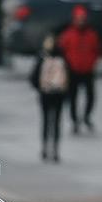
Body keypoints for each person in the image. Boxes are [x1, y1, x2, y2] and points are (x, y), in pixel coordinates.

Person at [58, 5, 101, 134]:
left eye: (83, 18)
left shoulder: (91, 35)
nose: (81, 21)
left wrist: (92, 62)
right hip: (73, 70)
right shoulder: (68, 35)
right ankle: (75, 120)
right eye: (79, 18)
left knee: (91, 96)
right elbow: (62, 50)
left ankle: (86, 117)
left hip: (88, 70)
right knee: (73, 97)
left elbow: (96, 50)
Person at [30, 34, 70, 162]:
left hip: (45, 94)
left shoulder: (41, 57)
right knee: (57, 122)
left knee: (46, 121)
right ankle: (55, 150)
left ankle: (45, 149)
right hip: (59, 94)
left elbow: (33, 77)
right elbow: (70, 75)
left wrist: (41, 88)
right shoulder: (62, 56)